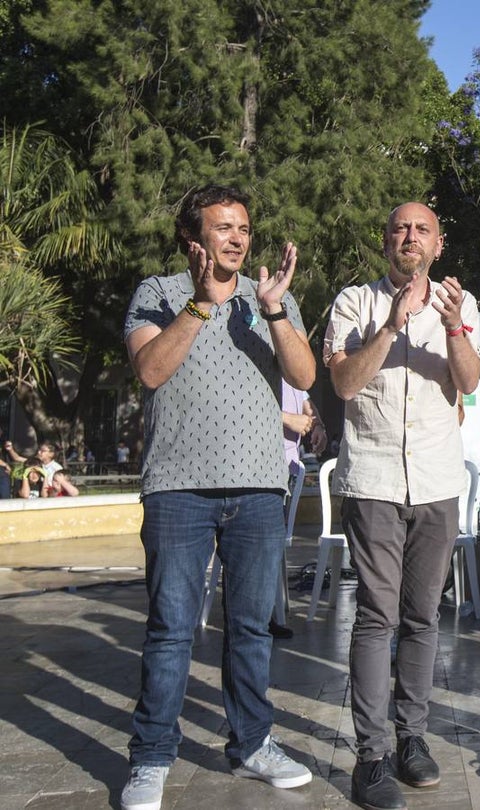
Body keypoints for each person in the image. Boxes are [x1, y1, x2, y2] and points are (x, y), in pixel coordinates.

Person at [120, 183, 316, 810]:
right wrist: (201, 306)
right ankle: (152, 758)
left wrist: (277, 311)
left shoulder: (269, 301)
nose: (237, 237)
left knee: (252, 630)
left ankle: (253, 744)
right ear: (193, 238)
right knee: (172, 630)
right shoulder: (158, 292)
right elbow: (150, 371)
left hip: (259, 488)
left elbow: (306, 377)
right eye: (224, 227)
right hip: (178, 489)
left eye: (244, 228)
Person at [324, 201, 480, 810]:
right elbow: (342, 385)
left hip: (437, 482)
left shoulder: (457, 303)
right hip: (375, 479)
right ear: (385, 240)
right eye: (399, 228)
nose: (410, 238)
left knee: (423, 617)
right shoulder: (354, 303)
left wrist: (450, 327)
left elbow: (467, 382)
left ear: (437, 244)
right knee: (375, 617)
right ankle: (371, 756)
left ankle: (412, 738)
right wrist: (391, 325)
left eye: (422, 230)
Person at [272, 382, 328, 640]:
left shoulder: (291, 368)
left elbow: (306, 401)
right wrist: (287, 420)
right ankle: (262, 617)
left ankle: (270, 613)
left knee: (274, 547)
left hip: (288, 472)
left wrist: (317, 425)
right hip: (264, 470)